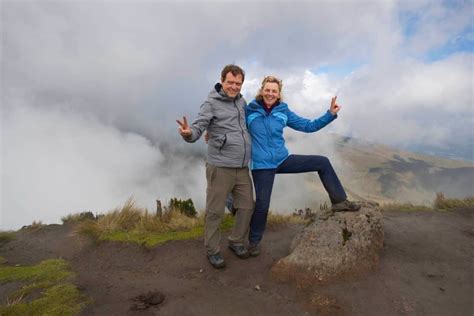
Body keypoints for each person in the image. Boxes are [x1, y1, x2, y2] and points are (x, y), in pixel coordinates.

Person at [245, 75, 360, 257]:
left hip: (282, 159)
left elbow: (308, 126)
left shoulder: (283, 111)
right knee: (262, 205)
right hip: (261, 165)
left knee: (322, 162)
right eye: (267, 90)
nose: (270, 93)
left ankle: (339, 201)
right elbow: (233, 127)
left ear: (279, 93)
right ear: (261, 90)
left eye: (274, 91)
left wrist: (330, 114)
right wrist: (211, 134)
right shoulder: (249, 110)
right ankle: (253, 242)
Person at [176, 65, 254, 269]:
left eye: (238, 84)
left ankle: (236, 241)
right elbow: (199, 126)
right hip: (220, 166)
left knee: (246, 207)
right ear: (222, 80)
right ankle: (213, 250)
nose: (234, 87)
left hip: (242, 167)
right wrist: (188, 134)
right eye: (230, 82)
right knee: (215, 211)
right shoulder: (211, 103)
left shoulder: (241, 102)